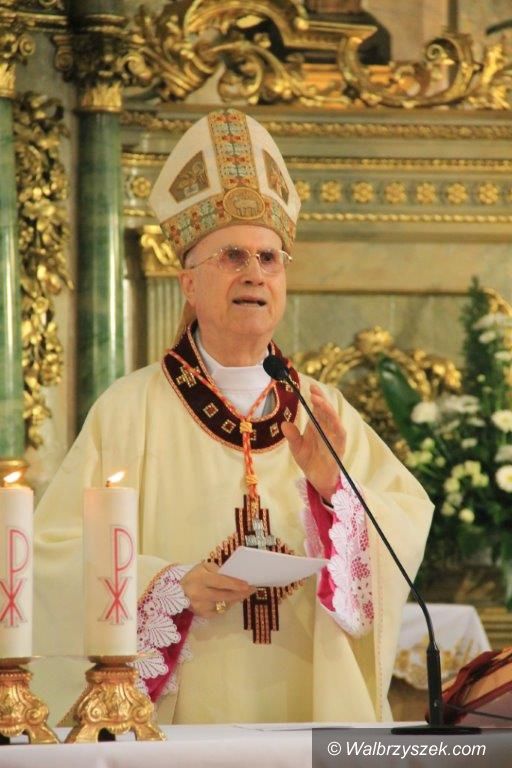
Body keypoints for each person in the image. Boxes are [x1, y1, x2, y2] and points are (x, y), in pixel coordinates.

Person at [33, 108, 433, 725]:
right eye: (233, 256)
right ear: (188, 283)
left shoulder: (324, 411)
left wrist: (335, 492)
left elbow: (402, 525)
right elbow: (51, 555)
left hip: (312, 709)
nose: (254, 273)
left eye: (270, 258)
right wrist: (169, 586)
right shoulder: (129, 410)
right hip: (180, 722)